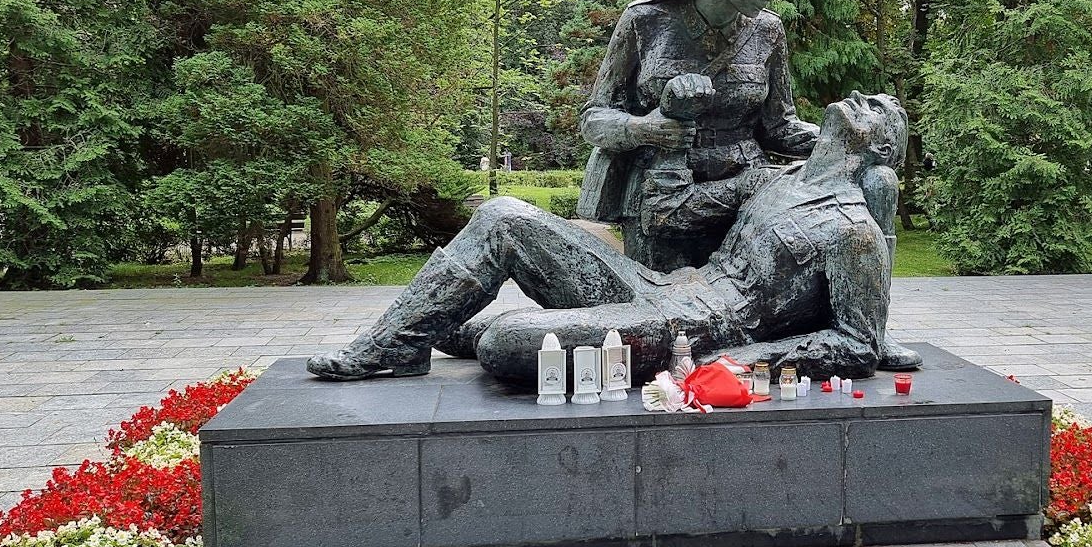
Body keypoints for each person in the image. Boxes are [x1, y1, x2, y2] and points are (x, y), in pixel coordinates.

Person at [307, 93, 910, 384]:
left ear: (880, 148)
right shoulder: (776, 180)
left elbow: (857, 340)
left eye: (884, 110)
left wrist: (746, 361)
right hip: (661, 286)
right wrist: (673, 129)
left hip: (698, 330)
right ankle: (401, 343)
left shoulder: (854, 228)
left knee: (506, 347)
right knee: (504, 215)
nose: (869, 99)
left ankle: (468, 331)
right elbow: (672, 209)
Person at [577, 0, 819, 272]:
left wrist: (837, 139)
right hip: (662, 196)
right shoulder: (645, 20)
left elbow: (779, 127)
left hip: (745, 195)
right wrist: (643, 128)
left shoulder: (769, 31)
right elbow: (593, 119)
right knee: (666, 314)